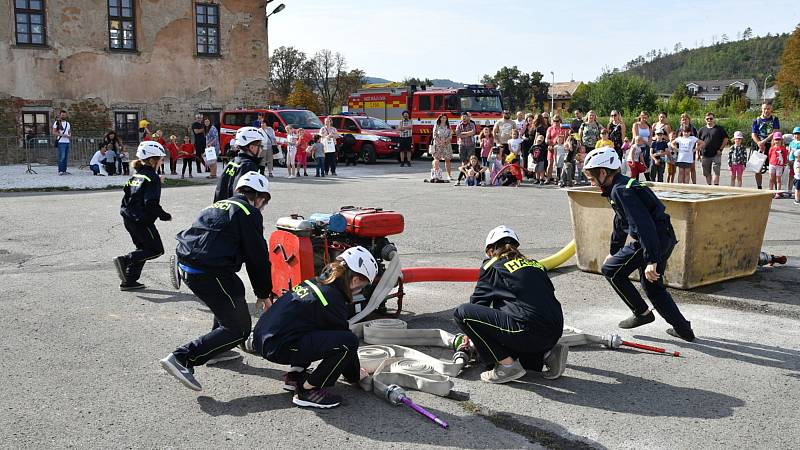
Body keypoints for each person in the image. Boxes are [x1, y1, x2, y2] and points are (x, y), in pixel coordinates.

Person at [160, 172, 272, 391]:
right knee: (238, 328)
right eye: (264, 202)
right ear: (260, 197)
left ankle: (216, 350)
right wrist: (263, 293)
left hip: (189, 261)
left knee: (228, 299)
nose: (262, 206)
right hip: (209, 272)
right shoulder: (249, 212)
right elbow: (257, 257)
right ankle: (183, 358)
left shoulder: (217, 205)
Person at [582, 147, 695, 342]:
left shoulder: (620, 191)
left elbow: (643, 225)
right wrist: (614, 250)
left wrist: (651, 259)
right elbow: (620, 221)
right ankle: (684, 329)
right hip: (662, 237)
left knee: (610, 270)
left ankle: (641, 312)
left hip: (653, 240)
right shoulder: (620, 186)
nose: (590, 181)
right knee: (652, 287)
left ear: (603, 172)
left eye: (591, 176)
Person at [251, 246, 377, 408]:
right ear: (356, 280)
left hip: (264, 336)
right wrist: (355, 376)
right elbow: (345, 343)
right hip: (277, 346)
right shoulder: (332, 299)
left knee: (315, 328)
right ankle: (307, 390)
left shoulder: (316, 282)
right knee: (348, 341)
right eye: (363, 285)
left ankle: (296, 374)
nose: (360, 290)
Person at [453, 226, 567, 383]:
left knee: (462, 313)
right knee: (526, 364)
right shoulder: (535, 264)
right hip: (554, 330)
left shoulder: (492, 265)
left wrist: (471, 336)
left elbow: (479, 304)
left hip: (527, 330)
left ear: (490, 250)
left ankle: (507, 367)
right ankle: (548, 353)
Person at [113, 141, 171, 291]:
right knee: (156, 250)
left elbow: (127, 194)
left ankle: (129, 280)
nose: (161, 161)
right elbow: (150, 203)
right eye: (160, 159)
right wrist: (165, 215)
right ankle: (125, 260)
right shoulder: (152, 177)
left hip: (128, 217)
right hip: (141, 221)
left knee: (143, 249)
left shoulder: (137, 175)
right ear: (152, 161)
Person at [215, 126, 263, 202]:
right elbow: (245, 196)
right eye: (260, 146)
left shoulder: (233, 162)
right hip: (237, 211)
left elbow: (219, 190)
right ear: (252, 147)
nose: (261, 150)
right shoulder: (248, 166)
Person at [751, 101, 781, 190]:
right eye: (764, 108)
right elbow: (753, 134)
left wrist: (763, 141)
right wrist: (759, 143)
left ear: (771, 109)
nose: (766, 110)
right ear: (762, 109)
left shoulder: (775, 119)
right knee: (757, 168)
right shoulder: (756, 120)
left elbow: (776, 131)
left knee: (773, 167)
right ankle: (759, 187)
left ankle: (775, 189)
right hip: (759, 145)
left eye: (768, 109)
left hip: (771, 146)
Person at [697, 112, 729, 186]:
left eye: (711, 118)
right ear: (705, 120)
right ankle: (709, 186)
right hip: (704, 154)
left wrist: (721, 149)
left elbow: (726, 139)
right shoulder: (702, 130)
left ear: (713, 119)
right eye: (707, 119)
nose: (709, 120)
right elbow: (698, 142)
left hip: (716, 154)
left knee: (716, 172)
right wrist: (697, 153)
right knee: (706, 173)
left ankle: (716, 186)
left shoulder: (719, 129)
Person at [431, 114, 453, 180]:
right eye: (442, 118)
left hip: (446, 145)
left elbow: (450, 136)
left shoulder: (448, 126)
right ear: (440, 118)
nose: (444, 119)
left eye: (445, 118)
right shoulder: (436, 125)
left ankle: (449, 175)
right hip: (438, 144)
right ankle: (435, 175)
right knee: (436, 160)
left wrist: (445, 141)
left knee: (447, 160)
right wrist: (440, 141)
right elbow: (434, 135)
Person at [768, 132, 788, 197]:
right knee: (771, 178)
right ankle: (770, 192)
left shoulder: (783, 148)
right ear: (773, 140)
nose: (777, 141)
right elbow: (769, 155)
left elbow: (785, 156)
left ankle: (778, 192)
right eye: (776, 139)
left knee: (778, 179)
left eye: (779, 139)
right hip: (772, 164)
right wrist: (770, 162)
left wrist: (784, 164)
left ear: (781, 140)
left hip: (779, 165)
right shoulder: (772, 148)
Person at [52, 110, 72, 175]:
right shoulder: (57, 123)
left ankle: (64, 170)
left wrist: (69, 135)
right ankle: (60, 170)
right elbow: (54, 132)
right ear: (60, 115)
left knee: (65, 157)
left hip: (67, 141)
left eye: (64, 115)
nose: (63, 116)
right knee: (62, 156)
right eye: (62, 115)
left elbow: (69, 131)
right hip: (61, 142)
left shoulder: (68, 123)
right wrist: (62, 135)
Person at [791, 127, 800, 205]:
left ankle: (797, 196)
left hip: (797, 161)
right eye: (795, 134)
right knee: (793, 177)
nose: (796, 135)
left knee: (797, 177)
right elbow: (790, 151)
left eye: (798, 134)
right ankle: (791, 192)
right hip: (793, 161)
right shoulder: (792, 142)